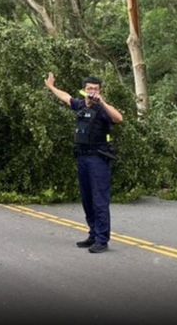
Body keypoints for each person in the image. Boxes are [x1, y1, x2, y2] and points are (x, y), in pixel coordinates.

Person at [45, 73, 123, 253]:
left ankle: (102, 240)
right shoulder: (80, 105)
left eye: (96, 89)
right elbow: (66, 97)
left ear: (100, 91)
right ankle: (93, 234)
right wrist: (51, 87)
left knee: (99, 200)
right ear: (84, 90)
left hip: (98, 159)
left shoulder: (103, 109)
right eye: (90, 89)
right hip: (82, 157)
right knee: (87, 199)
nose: (93, 92)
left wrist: (102, 102)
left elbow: (119, 118)